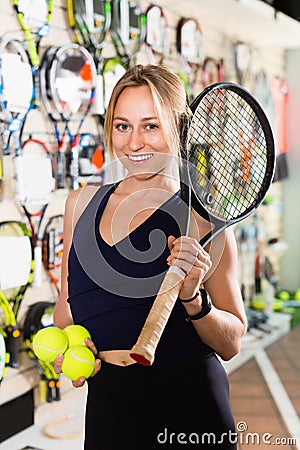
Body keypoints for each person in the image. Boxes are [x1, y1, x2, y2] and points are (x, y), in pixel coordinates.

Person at [53, 64, 247, 449]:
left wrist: (194, 298)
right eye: (123, 126)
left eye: (151, 126)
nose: (134, 143)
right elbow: (67, 306)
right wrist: (69, 346)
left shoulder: (204, 219)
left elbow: (231, 342)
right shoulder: (80, 205)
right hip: (111, 408)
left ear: (179, 128)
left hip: (190, 410)